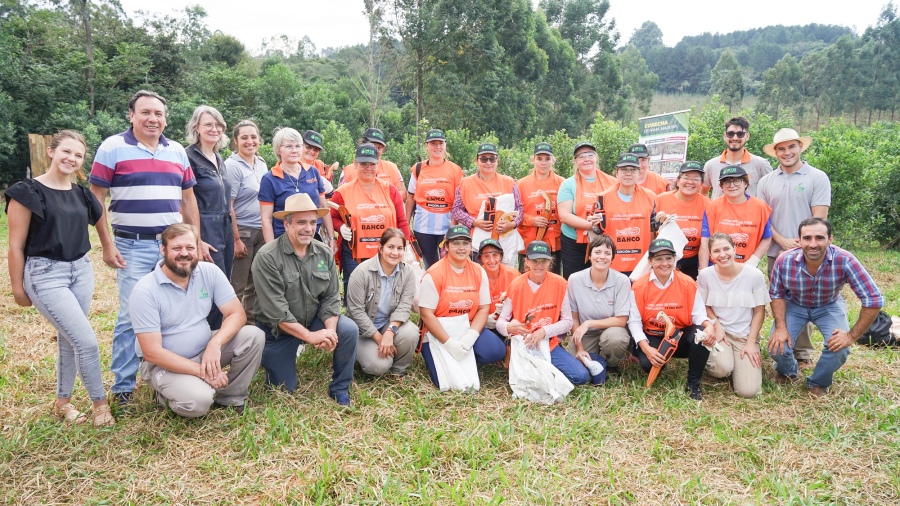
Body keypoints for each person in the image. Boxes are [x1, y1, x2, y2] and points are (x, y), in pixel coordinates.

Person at [89, 89, 201, 405]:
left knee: (173, 310)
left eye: (158, 114)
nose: (153, 118)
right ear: (132, 115)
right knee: (131, 315)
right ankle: (123, 387)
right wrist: (107, 245)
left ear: (166, 119)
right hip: (132, 246)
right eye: (146, 112)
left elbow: (188, 199)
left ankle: (161, 376)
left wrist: (194, 240)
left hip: (171, 247)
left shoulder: (177, 151)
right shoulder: (112, 147)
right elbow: (96, 196)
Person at [6, 130, 115, 427]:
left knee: (69, 340)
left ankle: (62, 403)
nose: (72, 158)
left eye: (78, 155)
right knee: (87, 342)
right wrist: (17, 287)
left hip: (80, 270)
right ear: (51, 152)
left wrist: (108, 246)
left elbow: (100, 216)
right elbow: (15, 244)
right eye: (66, 151)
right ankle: (100, 404)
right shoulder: (27, 192)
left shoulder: (82, 193)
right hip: (45, 274)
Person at [131, 224, 265, 417]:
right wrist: (204, 373)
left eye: (190, 248)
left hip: (203, 349)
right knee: (198, 403)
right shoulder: (145, 290)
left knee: (253, 336)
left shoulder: (209, 272)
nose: (184, 254)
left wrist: (215, 343)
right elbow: (152, 353)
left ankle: (230, 397)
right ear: (163, 250)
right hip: (162, 364)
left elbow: (237, 314)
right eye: (177, 248)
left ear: (198, 249)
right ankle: (165, 395)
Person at [252, 193, 358, 405]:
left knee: (348, 330)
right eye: (301, 222)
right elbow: (277, 312)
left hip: (312, 319)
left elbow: (330, 298)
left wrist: (328, 332)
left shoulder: (323, 253)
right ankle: (276, 359)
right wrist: (311, 337)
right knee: (282, 391)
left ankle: (340, 387)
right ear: (286, 224)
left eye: (312, 222)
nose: (308, 229)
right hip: (278, 331)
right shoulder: (267, 257)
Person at [767, 218, 884, 397]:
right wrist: (781, 327)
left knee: (840, 347)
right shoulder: (784, 260)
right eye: (807, 238)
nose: (813, 244)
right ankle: (788, 371)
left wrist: (851, 336)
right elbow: (777, 294)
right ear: (799, 240)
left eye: (819, 238)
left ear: (830, 239)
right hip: (795, 304)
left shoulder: (845, 260)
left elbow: (873, 299)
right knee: (777, 346)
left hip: (828, 304)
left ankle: (819, 381)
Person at [757, 128, 831, 370]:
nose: (787, 152)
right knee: (779, 299)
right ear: (775, 152)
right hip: (775, 252)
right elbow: (764, 219)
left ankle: (803, 352)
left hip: (808, 250)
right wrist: (782, 241)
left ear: (800, 147)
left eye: (791, 147)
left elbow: (819, 219)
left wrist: (799, 244)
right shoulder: (767, 181)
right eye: (781, 148)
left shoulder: (817, 177)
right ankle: (782, 345)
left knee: (806, 298)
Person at [418, 225, 506, 388]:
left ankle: (467, 354)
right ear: (446, 246)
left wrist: (471, 336)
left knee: (496, 351)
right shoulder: (434, 274)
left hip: (467, 326)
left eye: (465, 243)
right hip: (438, 330)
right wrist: (448, 343)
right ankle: (443, 353)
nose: (461, 248)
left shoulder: (478, 271)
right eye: (456, 243)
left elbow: (483, 308)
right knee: (445, 382)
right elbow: (426, 314)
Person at [630, 239, 716, 401]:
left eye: (668, 258)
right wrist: (647, 349)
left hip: (680, 335)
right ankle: (661, 360)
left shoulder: (687, 283)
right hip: (654, 335)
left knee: (702, 334)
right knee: (648, 365)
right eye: (658, 258)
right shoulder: (639, 286)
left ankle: (693, 383)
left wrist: (708, 326)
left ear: (675, 259)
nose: (664, 263)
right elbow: (634, 322)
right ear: (650, 261)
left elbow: (698, 314)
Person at [496, 241, 590, 384]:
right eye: (534, 261)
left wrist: (544, 332)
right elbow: (500, 322)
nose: (539, 265)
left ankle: (546, 370)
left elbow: (567, 322)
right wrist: (508, 327)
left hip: (548, 342)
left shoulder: (560, 283)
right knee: (524, 381)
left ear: (550, 262)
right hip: (524, 344)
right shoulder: (516, 285)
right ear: (526, 261)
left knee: (580, 376)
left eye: (543, 261)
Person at [331, 143, 410, 293]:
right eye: (363, 164)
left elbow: (402, 221)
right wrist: (340, 227)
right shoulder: (342, 192)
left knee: (384, 295)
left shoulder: (390, 190)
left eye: (372, 164)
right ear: (355, 164)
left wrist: (404, 249)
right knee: (355, 295)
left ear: (378, 165)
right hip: (354, 254)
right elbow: (332, 217)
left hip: (386, 254)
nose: (368, 168)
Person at [184, 105, 237, 330]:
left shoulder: (218, 156)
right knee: (210, 285)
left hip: (224, 226)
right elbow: (185, 200)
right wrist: (196, 238)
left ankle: (217, 337)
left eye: (218, 125)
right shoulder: (188, 156)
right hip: (205, 226)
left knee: (224, 284)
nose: (213, 129)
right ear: (197, 127)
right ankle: (204, 337)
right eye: (208, 124)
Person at [697, 233, 769, 398]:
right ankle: (725, 364)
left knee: (748, 391)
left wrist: (751, 342)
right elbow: (703, 305)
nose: (722, 255)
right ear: (710, 255)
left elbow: (759, 311)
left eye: (726, 249)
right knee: (721, 368)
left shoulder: (753, 275)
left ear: (734, 249)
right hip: (720, 333)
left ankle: (740, 365)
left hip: (744, 335)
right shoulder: (705, 275)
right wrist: (716, 325)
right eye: (716, 251)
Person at [345, 229, 419, 377]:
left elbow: (404, 306)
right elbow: (356, 312)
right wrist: (379, 338)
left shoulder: (408, 273)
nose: (395, 253)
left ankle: (398, 370)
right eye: (390, 247)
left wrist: (390, 333)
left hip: (387, 324)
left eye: (400, 248)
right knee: (378, 366)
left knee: (411, 332)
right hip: (362, 331)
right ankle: (362, 355)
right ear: (380, 248)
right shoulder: (361, 273)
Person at [566, 235, 632, 374]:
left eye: (607, 253)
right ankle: (591, 355)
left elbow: (621, 320)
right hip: (586, 333)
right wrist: (580, 348)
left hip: (611, 329)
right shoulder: (574, 279)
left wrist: (589, 323)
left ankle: (612, 364)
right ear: (589, 256)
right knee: (576, 368)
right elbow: (574, 317)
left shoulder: (622, 281)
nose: (602, 257)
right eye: (597, 252)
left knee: (616, 339)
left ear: (612, 258)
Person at [258, 128, 335, 247]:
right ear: (278, 150)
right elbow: (266, 219)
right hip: (284, 240)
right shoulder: (270, 179)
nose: (294, 150)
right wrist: (271, 249)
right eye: (288, 146)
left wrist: (331, 238)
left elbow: (323, 206)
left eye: (298, 146)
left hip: (312, 238)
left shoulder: (313, 172)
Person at [223, 120, 268, 322]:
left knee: (256, 283)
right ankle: (228, 327)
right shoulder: (232, 166)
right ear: (235, 141)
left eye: (253, 137)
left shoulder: (262, 163)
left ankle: (250, 326)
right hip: (243, 231)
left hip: (261, 230)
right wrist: (236, 239)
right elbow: (228, 205)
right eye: (244, 137)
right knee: (237, 285)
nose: (250, 141)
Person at [451, 143, 523, 265]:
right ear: (477, 161)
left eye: (492, 158)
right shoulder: (465, 184)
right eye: (484, 159)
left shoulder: (509, 182)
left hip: (505, 239)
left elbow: (519, 208)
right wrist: (474, 222)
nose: (488, 162)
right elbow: (456, 210)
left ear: (497, 160)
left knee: (505, 277)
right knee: (481, 277)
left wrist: (512, 224)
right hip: (478, 240)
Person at [405, 129, 465, 268]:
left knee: (449, 266)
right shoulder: (418, 168)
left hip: (447, 226)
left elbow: (459, 202)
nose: (437, 147)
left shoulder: (455, 170)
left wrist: (453, 227)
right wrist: (406, 224)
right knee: (430, 266)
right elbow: (411, 196)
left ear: (445, 145)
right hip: (423, 228)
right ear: (427, 146)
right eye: (433, 143)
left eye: (440, 143)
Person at [557, 140, 617, 278]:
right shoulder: (568, 184)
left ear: (596, 157)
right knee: (575, 280)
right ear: (575, 161)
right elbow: (564, 216)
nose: (586, 159)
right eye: (581, 156)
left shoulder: (612, 182)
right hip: (574, 242)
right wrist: (592, 226)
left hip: (604, 241)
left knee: (603, 279)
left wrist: (599, 228)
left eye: (590, 154)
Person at [598, 153, 661, 277]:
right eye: (624, 170)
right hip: (612, 263)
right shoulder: (602, 198)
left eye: (633, 170)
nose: (628, 173)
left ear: (639, 173)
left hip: (641, 263)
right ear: (616, 173)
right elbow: (597, 231)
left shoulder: (651, 197)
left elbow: (653, 230)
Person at [699, 166, 772, 269]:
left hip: (746, 265)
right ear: (722, 187)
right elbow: (705, 241)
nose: (732, 185)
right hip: (716, 265)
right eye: (727, 182)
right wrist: (703, 271)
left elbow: (767, 238)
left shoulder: (760, 207)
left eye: (737, 181)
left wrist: (752, 262)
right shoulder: (712, 207)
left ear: (745, 183)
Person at [656, 161, 710, 279]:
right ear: (678, 180)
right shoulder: (660, 200)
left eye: (696, 179)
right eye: (686, 177)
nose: (690, 182)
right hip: (664, 259)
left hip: (694, 259)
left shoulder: (708, 204)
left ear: (701, 184)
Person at [517, 142, 565, 273]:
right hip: (529, 242)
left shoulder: (562, 183)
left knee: (552, 282)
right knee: (527, 282)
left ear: (553, 160)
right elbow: (515, 214)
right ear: (533, 160)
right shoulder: (520, 184)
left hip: (554, 243)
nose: (543, 163)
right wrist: (532, 220)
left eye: (547, 159)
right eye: (539, 159)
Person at [702, 116, 773, 198]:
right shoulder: (711, 165)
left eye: (740, 134)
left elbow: (771, 194)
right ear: (725, 136)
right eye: (730, 134)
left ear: (747, 136)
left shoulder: (761, 164)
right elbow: (703, 192)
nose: (735, 138)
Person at [338, 128, 406, 198]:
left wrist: (384, 201)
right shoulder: (348, 171)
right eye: (372, 146)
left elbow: (403, 192)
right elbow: (340, 196)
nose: (375, 151)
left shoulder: (392, 168)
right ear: (362, 145)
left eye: (379, 148)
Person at [477, 239, 520, 332]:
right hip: (485, 326)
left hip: (510, 324)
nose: (492, 260)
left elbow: (525, 303)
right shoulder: (475, 277)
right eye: (486, 256)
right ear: (481, 258)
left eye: (495, 255)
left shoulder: (514, 275)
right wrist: (484, 320)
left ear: (501, 256)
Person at [301, 129, 336, 198]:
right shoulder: (290, 165)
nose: (312, 151)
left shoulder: (323, 167)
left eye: (316, 149)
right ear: (300, 145)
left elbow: (330, 196)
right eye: (308, 147)